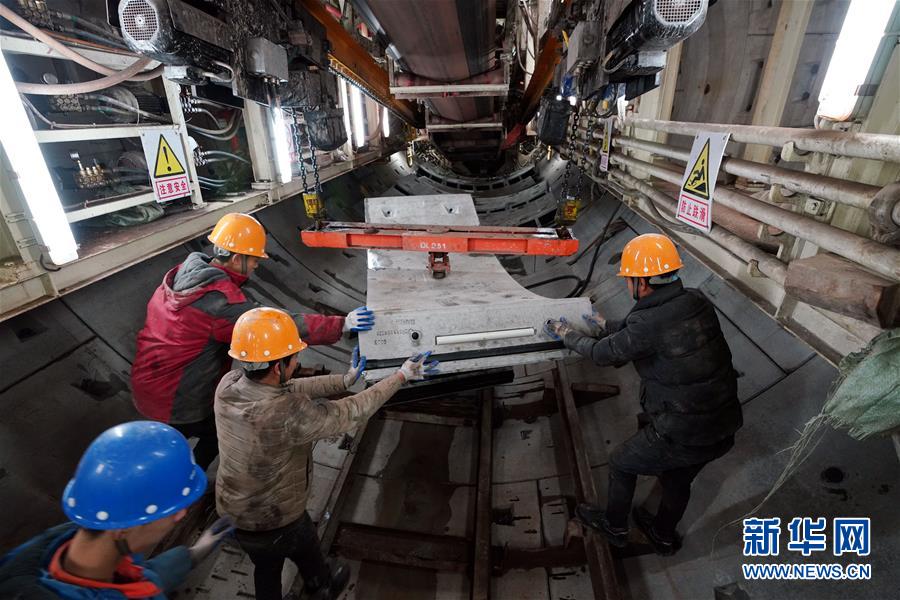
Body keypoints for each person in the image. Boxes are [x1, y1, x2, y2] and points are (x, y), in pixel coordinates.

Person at [214, 307, 438, 600]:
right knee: (303, 542)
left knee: (266, 568)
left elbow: (290, 387)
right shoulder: (287, 413)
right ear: (277, 367)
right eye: (294, 357)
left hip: (234, 510)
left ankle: (314, 583)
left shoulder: (229, 385)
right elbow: (351, 411)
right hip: (275, 516)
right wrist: (401, 376)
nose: (297, 362)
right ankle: (321, 587)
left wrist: (343, 380)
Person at [546, 233, 742, 555]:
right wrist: (604, 323)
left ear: (643, 283)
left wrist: (566, 334)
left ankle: (614, 527)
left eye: (629, 279)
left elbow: (602, 354)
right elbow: (642, 328)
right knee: (678, 480)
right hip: (723, 425)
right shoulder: (695, 300)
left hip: (684, 432)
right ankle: (662, 536)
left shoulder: (647, 324)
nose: (627, 285)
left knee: (621, 463)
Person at [131, 212, 374, 470]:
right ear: (237, 259)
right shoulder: (218, 303)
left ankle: (177, 479)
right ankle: (190, 480)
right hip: (178, 397)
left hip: (147, 383)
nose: (257, 266)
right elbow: (275, 325)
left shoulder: (185, 276)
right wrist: (343, 324)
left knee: (168, 449)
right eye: (255, 260)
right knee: (215, 434)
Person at [0, 421, 232, 599]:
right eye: (171, 511)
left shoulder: (61, 550)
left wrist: (193, 554)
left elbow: (139, 578)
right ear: (122, 529)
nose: (181, 515)